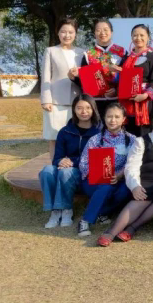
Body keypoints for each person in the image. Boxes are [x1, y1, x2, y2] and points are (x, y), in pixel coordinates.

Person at [96, 106, 153, 246]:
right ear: (152, 121)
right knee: (141, 198)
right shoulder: (141, 141)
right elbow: (131, 166)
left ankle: (132, 228)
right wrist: (135, 186)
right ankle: (111, 232)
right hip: (147, 181)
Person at [39, 94, 101, 229]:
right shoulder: (65, 131)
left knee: (66, 172)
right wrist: (60, 161)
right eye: (79, 108)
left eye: (88, 108)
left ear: (93, 109)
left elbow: (96, 158)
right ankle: (55, 211)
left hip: (84, 173)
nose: (84, 111)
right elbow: (56, 158)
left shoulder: (99, 132)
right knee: (47, 171)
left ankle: (67, 209)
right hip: (66, 168)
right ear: (74, 110)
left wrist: (72, 162)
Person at [77, 103, 136, 237]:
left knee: (126, 191)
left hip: (119, 181)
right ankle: (85, 220)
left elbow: (133, 163)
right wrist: (98, 174)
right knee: (105, 186)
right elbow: (83, 163)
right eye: (109, 116)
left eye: (117, 117)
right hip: (94, 182)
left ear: (124, 119)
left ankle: (102, 212)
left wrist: (119, 175)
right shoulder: (95, 140)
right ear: (104, 118)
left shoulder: (132, 140)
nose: (112, 120)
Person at [41, 18, 84, 158]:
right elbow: (46, 76)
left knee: (75, 137)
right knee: (54, 137)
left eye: (71, 32)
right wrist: (46, 100)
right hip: (55, 102)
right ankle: (55, 165)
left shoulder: (82, 53)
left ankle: (74, 166)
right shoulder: (51, 51)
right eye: (63, 32)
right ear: (58, 33)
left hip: (78, 102)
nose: (67, 35)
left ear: (75, 33)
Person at [68, 18, 127, 118]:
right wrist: (74, 77)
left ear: (111, 32)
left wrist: (117, 90)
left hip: (117, 102)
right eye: (98, 30)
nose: (102, 33)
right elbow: (84, 82)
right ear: (94, 33)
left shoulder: (122, 52)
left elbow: (127, 77)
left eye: (105, 29)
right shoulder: (88, 54)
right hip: (95, 103)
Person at [118, 24, 153, 137]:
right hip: (127, 101)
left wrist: (145, 95)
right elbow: (121, 79)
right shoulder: (126, 58)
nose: (138, 38)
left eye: (142, 35)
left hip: (145, 103)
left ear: (148, 37)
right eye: (135, 35)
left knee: (144, 135)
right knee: (128, 134)